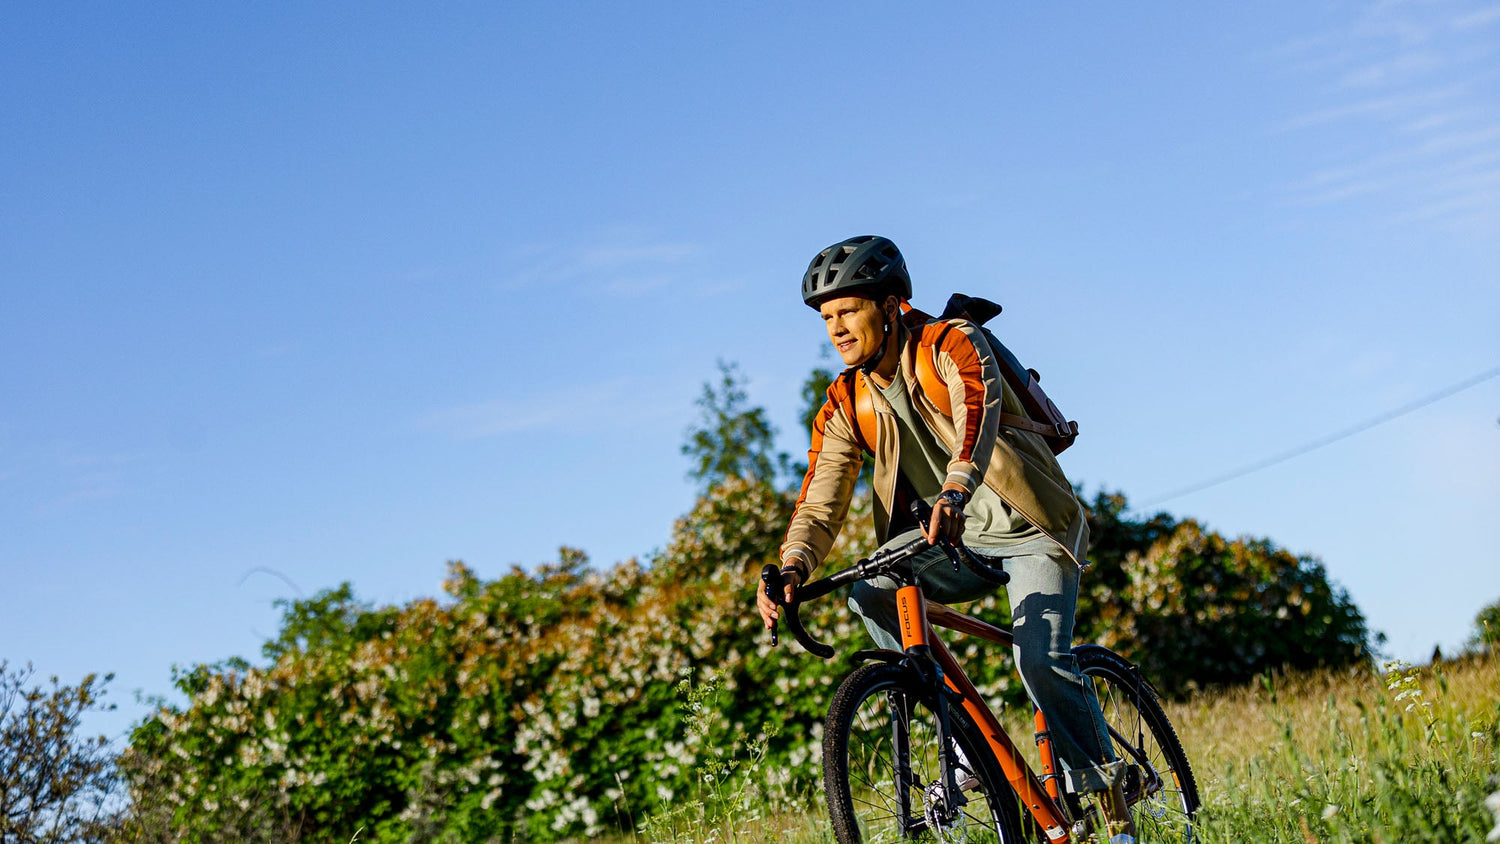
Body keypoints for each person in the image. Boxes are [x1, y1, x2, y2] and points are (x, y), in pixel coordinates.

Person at [755, 235, 1135, 841]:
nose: (837, 329)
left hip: (1029, 528)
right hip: (947, 541)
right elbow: (821, 498)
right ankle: (959, 748)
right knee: (872, 586)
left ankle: (1110, 796)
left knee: (1038, 658)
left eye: (848, 311)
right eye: (827, 319)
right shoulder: (846, 400)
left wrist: (955, 491)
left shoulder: (950, 343)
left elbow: (975, 415)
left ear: (889, 304)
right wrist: (793, 566)